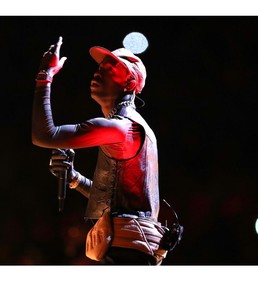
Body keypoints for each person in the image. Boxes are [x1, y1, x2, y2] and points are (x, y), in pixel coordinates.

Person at [31, 36, 170, 265]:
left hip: (125, 253)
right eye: (99, 67)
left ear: (129, 82)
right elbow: (120, 201)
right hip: (133, 249)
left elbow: (44, 135)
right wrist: (74, 179)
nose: (98, 72)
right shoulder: (138, 128)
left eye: (110, 68)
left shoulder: (121, 127)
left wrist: (44, 78)